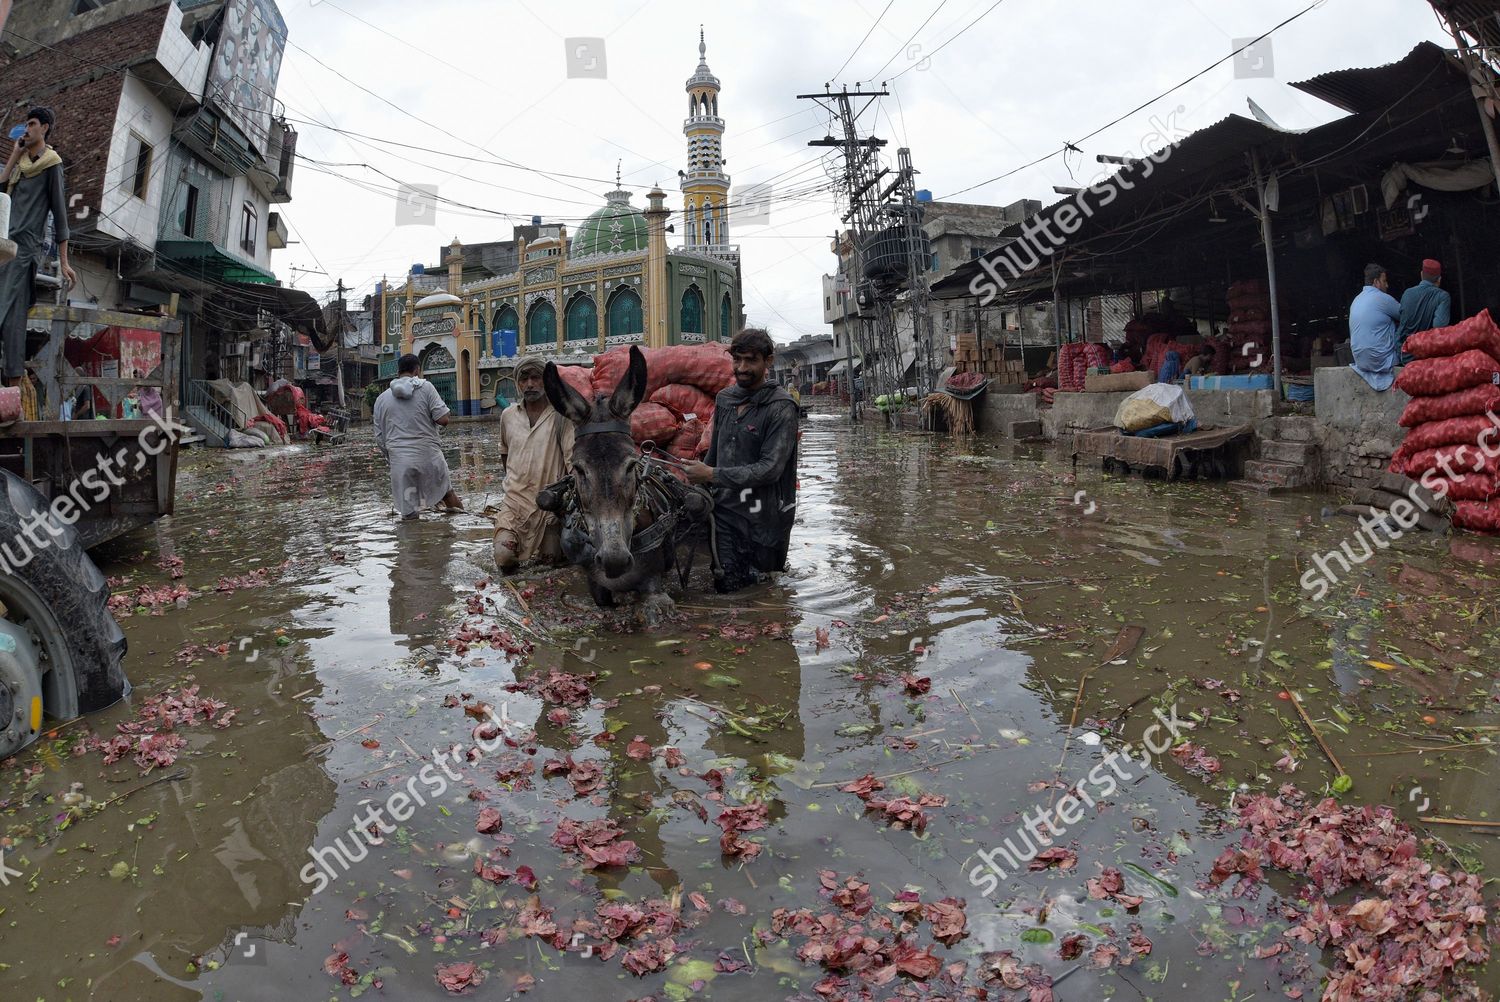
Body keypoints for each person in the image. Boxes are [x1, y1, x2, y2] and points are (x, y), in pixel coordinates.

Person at [683, 328, 799, 593]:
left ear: (768, 361)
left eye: (750, 360)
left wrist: (711, 475)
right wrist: (698, 485)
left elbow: (770, 470)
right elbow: (714, 453)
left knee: (763, 587)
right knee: (726, 585)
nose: (742, 367)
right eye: (737, 360)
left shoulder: (781, 407)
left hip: (762, 516)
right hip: (724, 511)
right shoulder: (725, 399)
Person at [0, 107, 77, 388]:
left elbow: (60, 215)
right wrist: (14, 153)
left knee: (2, 310)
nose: (26, 129)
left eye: (31, 124)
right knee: (13, 322)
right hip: (4, 247)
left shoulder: (51, 165)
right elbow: (0, 188)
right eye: (26, 125)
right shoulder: (21, 165)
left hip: (25, 250)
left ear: (44, 128)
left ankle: (11, 387)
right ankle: (12, 392)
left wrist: (65, 262)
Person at [492, 356, 574, 572]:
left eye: (536, 378)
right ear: (517, 383)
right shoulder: (508, 416)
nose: (530, 384)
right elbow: (505, 455)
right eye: (524, 379)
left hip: (550, 509)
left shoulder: (562, 417)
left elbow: (572, 465)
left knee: (550, 564)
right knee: (504, 557)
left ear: (546, 381)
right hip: (514, 506)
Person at [373, 353, 463, 519]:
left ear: (398, 372)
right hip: (429, 458)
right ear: (417, 370)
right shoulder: (426, 387)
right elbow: (443, 419)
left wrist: (393, 458)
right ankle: (463, 527)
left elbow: (380, 438)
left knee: (409, 515)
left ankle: (413, 542)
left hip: (401, 463)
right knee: (447, 494)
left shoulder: (381, 399)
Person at [1349, 263, 1402, 391]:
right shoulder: (1382, 298)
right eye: (1384, 281)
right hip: (1380, 360)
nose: (1387, 285)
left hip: (1360, 361)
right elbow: (1406, 317)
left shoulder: (1356, 300)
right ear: (1376, 282)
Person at [1398, 258, 1451, 351]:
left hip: (1402, 353)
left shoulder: (1407, 293)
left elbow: (1402, 323)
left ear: (1421, 274)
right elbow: (1439, 328)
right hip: (1424, 355)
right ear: (1439, 279)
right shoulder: (1442, 296)